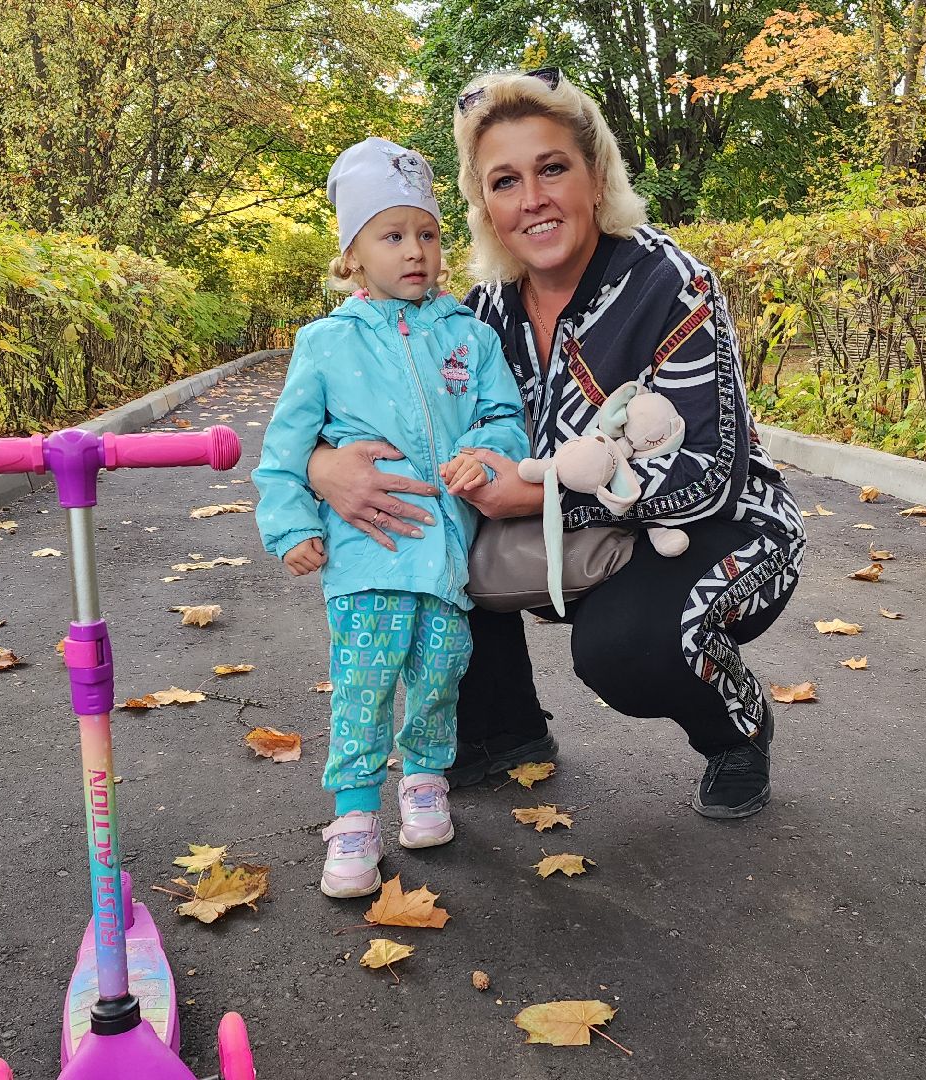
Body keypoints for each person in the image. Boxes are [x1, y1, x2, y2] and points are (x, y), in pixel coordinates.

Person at [309, 72, 806, 820]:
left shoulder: (669, 283)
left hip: (718, 530)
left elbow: (709, 473)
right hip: (571, 534)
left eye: (552, 168)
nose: (532, 198)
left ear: (596, 175)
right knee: (426, 548)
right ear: (485, 208)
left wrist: (540, 494)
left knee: (623, 649)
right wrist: (323, 469)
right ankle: (504, 731)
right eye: (505, 181)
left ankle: (735, 728)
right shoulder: (481, 311)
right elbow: (382, 413)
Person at [252, 137, 529, 897]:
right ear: (352, 255)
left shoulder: (470, 338)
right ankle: (351, 816)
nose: (416, 251)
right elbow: (286, 447)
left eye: (429, 234)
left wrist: (483, 450)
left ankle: (426, 781)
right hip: (367, 554)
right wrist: (291, 526)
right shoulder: (325, 343)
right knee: (365, 682)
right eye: (392, 234)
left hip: (446, 560)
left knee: (441, 676)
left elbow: (506, 418)